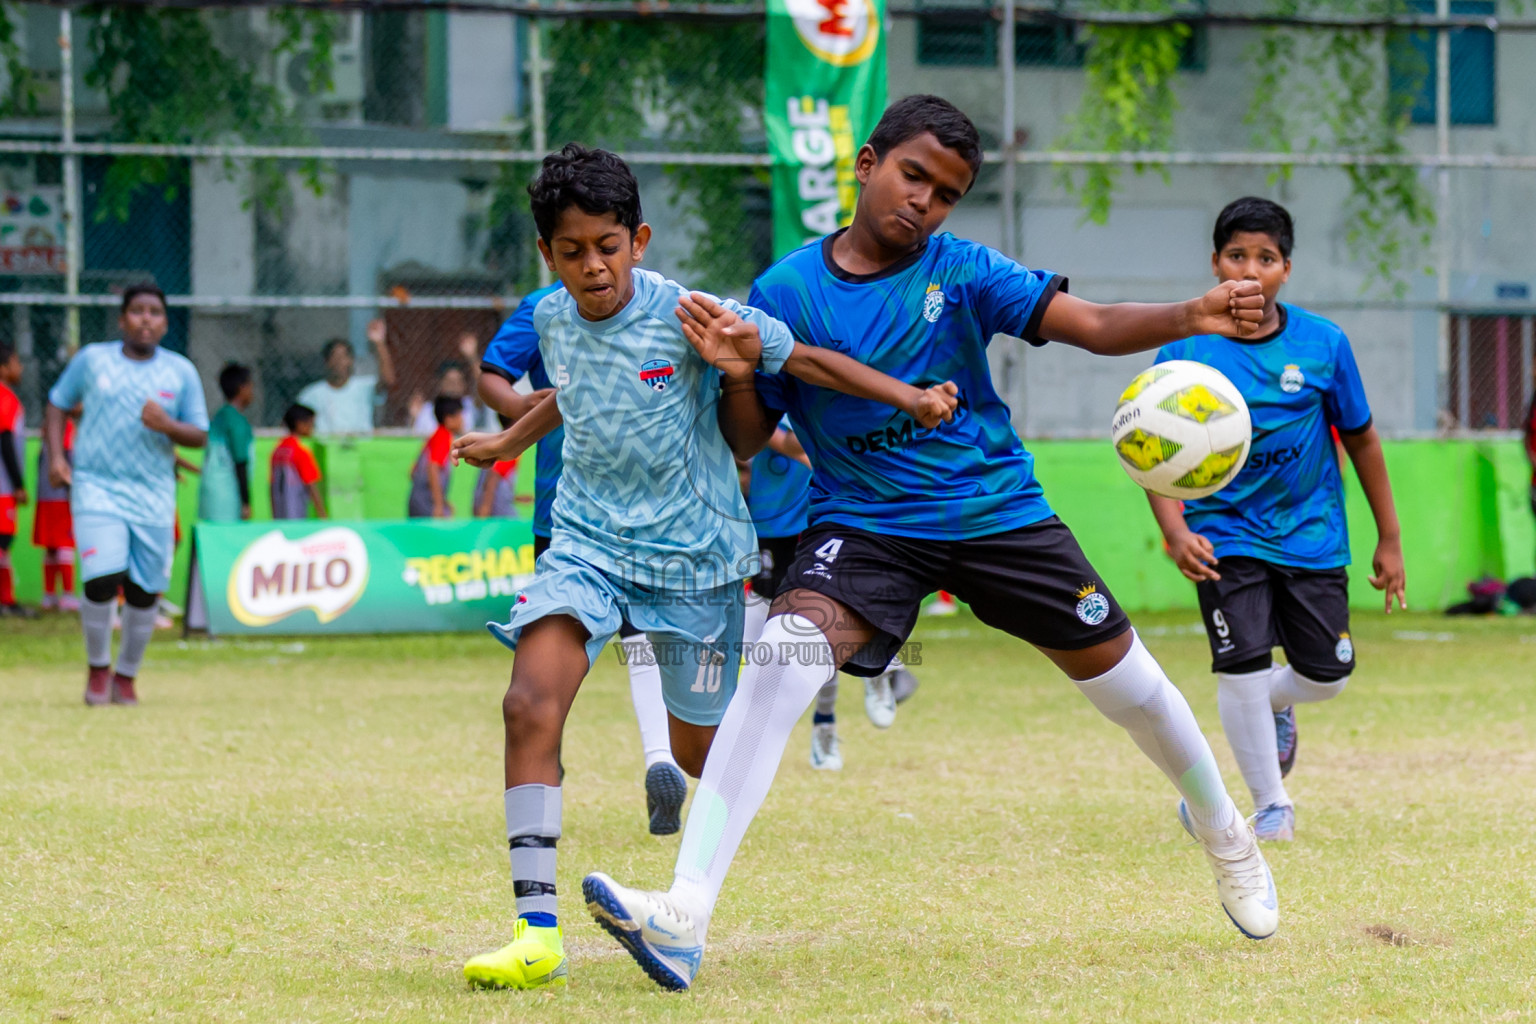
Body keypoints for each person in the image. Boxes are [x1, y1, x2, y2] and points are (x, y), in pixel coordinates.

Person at [580, 95, 1280, 993]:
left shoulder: (963, 269)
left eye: (946, 193)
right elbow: (749, 438)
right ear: (868, 162)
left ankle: (1226, 830)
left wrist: (1194, 311)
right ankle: (683, 914)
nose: (924, 202)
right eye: (914, 176)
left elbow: (1096, 326)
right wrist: (736, 369)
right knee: (782, 660)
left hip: (997, 514)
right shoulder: (789, 289)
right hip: (866, 527)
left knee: (1131, 686)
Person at [450, 142, 959, 991]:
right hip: (586, 544)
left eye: (607, 246)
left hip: (696, 560)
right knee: (527, 699)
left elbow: (799, 365)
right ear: (547, 254)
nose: (593, 267)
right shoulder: (546, 319)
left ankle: (719, 830)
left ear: (637, 239)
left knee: (700, 751)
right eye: (572, 252)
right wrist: (507, 439)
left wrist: (906, 397)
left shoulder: (691, 315)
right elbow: (570, 391)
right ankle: (535, 931)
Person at [1144, 197, 1407, 842]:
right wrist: (1175, 529)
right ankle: (1271, 807)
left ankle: (1279, 704)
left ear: (1285, 268)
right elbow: (1151, 444)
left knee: (1329, 675)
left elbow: (1364, 438)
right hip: (1223, 533)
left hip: (1312, 533)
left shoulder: (1323, 344)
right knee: (1240, 666)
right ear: (1216, 263)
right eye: (1237, 255)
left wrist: (1390, 537)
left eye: (1265, 258)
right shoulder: (1186, 347)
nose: (1251, 270)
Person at [479, 281, 693, 839]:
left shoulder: (648, 304)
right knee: (641, 639)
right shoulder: (630, 303)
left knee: (548, 643)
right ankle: (658, 757)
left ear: (632, 240)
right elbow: (494, 379)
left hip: (572, 514)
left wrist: (514, 419)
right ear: (553, 249)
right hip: (632, 509)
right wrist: (522, 409)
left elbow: (491, 376)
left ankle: (547, 759)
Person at [44, 284, 209, 705]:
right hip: (96, 485)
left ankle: (127, 676)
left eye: (154, 312)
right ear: (122, 320)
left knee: (143, 589)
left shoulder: (180, 372)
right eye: (136, 311)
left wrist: (168, 426)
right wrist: (56, 457)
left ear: (166, 322)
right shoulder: (93, 360)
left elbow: (198, 434)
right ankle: (98, 668)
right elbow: (57, 402)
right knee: (102, 577)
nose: (145, 319)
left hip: (154, 492)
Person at [740, 420, 919, 771]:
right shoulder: (760, 383)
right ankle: (886, 669)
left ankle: (828, 724)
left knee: (819, 624)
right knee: (772, 637)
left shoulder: (814, 385)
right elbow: (755, 442)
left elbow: (795, 442)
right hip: (768, 526)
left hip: (816, 521)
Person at [294, 318, 396, 435]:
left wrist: (379, 343)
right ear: (327, 362)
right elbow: (295, 424)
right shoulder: (311, 394)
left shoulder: (363, 388)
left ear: (350, 361)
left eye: (343, 357)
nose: (339, 362)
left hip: (359, 449)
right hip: (327, 450)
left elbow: (389, 380)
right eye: (335, 357)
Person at [34, 407, 78, 612]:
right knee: (64, 545)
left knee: (51, 546)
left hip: (45, 494)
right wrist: (73, 492)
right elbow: (67, 459)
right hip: (61, 495)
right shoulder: (65, 426)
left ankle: (49, 595)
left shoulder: (47, 428)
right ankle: (68, 596)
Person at [199, 362, 255, 522]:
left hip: (210, 490)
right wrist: (246, 502)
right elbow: (240, 462)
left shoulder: (220, 415)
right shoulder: (237, 421)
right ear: (242, 388)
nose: (252, 392)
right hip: (227, 494)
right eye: (251, 386)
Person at [0, 340, 32, 617]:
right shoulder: (5, 397)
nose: (19, 368)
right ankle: (6, 602)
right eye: (16, 362)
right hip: (2, 487)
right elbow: (5, 439)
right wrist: (19, 484)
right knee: (3, 540)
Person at [412, 334, 482, 435]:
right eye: (450, 382)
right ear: (440, 383)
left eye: (458, 382)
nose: (454, 386)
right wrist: (414, 418)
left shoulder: (469, 405)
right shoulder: (427, 410)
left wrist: (472, 357)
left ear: (464, 384)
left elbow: (482, 384)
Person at [408, 395, 464, 518]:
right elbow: (433, 467)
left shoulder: (435, 436)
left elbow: (412, 472)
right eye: (460, 415)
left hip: (417, 501)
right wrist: (438, 505)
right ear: (449, 419)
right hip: (426, 505)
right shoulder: (443, 437)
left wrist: (443, 501)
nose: (462, 420)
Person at [271, 404, 326, 520]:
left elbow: (271, 485)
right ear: (300, 424)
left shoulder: (277, 450)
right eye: (311, 424)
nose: (312, 428)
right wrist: (322, 515)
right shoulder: (300, 452)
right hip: (296, 514)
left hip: (279, 514)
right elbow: (311, 486)